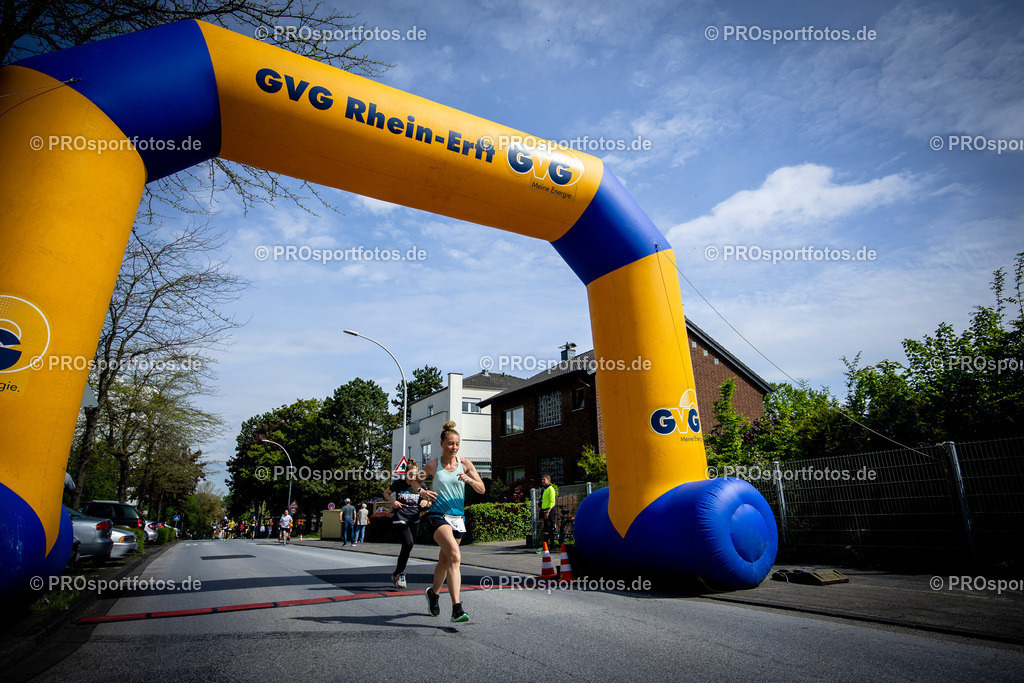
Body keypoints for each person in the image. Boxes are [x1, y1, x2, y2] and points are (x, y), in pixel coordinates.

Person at [418, 420, 485, 623]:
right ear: (441, 444)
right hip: (438, 515)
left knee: (445, 560)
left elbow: (481, 489)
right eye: (450, 443)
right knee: (455, 556)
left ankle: (434, 594)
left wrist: (470, 480)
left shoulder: (465, 464)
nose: (454, 447)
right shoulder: (432, 465)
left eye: (456, 444)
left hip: (458, 518)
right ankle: (457, 608)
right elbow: (412, 480)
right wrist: (422, 492)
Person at [382, 459, 431, 589]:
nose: (413, 477)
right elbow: (386, 493)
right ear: (405, 473)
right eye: (410, 474)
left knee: (408, 547)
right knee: (408, 542)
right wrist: (393, 501)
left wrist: (426, 503)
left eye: (415, 475)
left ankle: (397, 573)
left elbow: (430, 501)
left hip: (414, 518)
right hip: (400, 516)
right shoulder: (399, 484)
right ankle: (401, 573)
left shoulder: (421, 486)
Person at [538, 474, 558, 552]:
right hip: (544, 510)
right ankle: (546, 546)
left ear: (548, 480)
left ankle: (550, 546)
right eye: (542, 480)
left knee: (549, 528)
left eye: (544, 480)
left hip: (549, 511)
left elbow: (552, 501)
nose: (542, 481)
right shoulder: (544, 489)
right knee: (546, 528)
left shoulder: (551, 489)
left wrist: (547, 512)